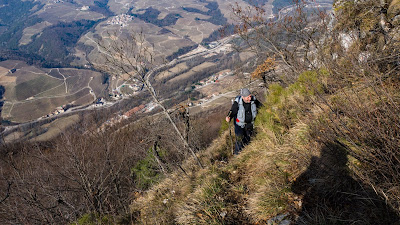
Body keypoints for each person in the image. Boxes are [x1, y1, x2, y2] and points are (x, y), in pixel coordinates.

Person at [226, 88, 263, 155]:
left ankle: (246, 154)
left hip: (250, 124)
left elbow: (261, 106)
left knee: (248, 140)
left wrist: (268, 110)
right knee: (240, 140)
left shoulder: (253, 100)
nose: (249, 98)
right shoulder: (237, 102)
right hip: (239, 125)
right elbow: (232, 111)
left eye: (250, 96)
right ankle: (237, 155)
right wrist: (229, 117)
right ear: (243, 97)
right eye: (247, 97)